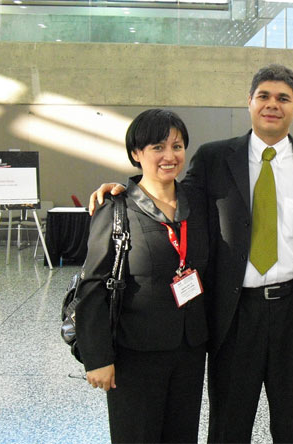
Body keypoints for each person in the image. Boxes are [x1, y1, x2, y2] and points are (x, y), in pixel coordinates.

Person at [89, 64, 293, 443]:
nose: (272, 105)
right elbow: (169, 194)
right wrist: (125, 190)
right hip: (234, 311)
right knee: (228, 423)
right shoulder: (214, 158)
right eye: (264, 96)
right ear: (249, 103)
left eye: (283, 98)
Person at [75, 109, 209, 444]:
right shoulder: (115, 208)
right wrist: (98, 358)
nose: (169, 156)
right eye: (157, 147)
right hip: (135, 353)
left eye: (177, 147)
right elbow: (92, 287)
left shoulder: (197, 202)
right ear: (137, 153)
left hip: (189, 351)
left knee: (182, 436)